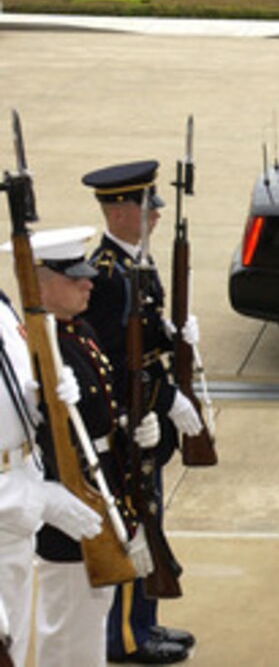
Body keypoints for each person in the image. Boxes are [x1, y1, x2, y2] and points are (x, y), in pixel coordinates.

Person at [78, 161, 202, 664]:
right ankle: (126, 639)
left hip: (147, 421)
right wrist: (165, 399)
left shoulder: (139, 264)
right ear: (118, 210)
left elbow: (143, 343)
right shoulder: (106, 277)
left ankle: (142, 623)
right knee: (136, 524)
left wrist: (174, 340)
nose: (154, 215)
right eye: (145, 206)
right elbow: (111, 364)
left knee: (151, 515)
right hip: (132, 423)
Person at [23, 227, 157, 667]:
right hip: (68, 496)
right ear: (41, 284)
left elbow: (105, 408)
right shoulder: (37, 350)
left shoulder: (77, 330)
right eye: (74, 278)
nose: (89, 283)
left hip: (100, 485)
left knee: (93, 612)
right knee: (67, 621)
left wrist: (136, 431)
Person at [0, 276, 102, 666]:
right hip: (11, 503)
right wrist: (36, 498)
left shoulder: (4, 308)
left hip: (15, 511)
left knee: (17, 639)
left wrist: (38, 400)